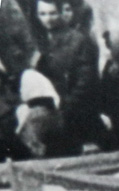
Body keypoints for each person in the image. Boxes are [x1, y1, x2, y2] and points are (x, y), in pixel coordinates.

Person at [34, 0, 100, 152]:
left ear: (61, 13)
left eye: (52, 13)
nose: (48, 19)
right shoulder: (41, 42)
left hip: (75, 115)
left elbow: (86, 81)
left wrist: (65, 107)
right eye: (42, 14)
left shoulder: (78, 41)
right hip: (52, 116)